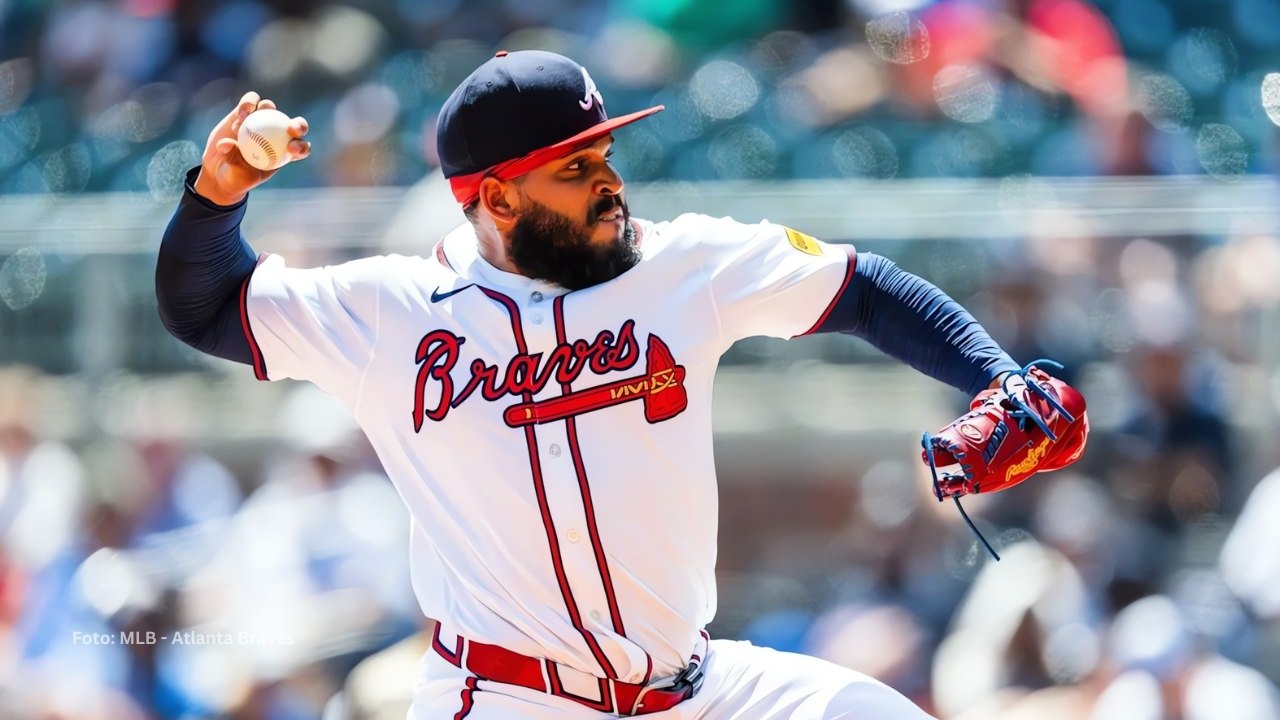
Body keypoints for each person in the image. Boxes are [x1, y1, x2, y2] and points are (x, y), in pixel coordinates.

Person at [156, 49, 1079, 719]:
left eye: (604, 153)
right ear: (497, 198)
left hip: (698, 688)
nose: (610, 181)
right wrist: (219, 192)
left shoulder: (687, 264)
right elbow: (204, 304)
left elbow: (865, 290)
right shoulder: (393, 311)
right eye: (576, 167)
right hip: (509, 698)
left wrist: (995, 377)